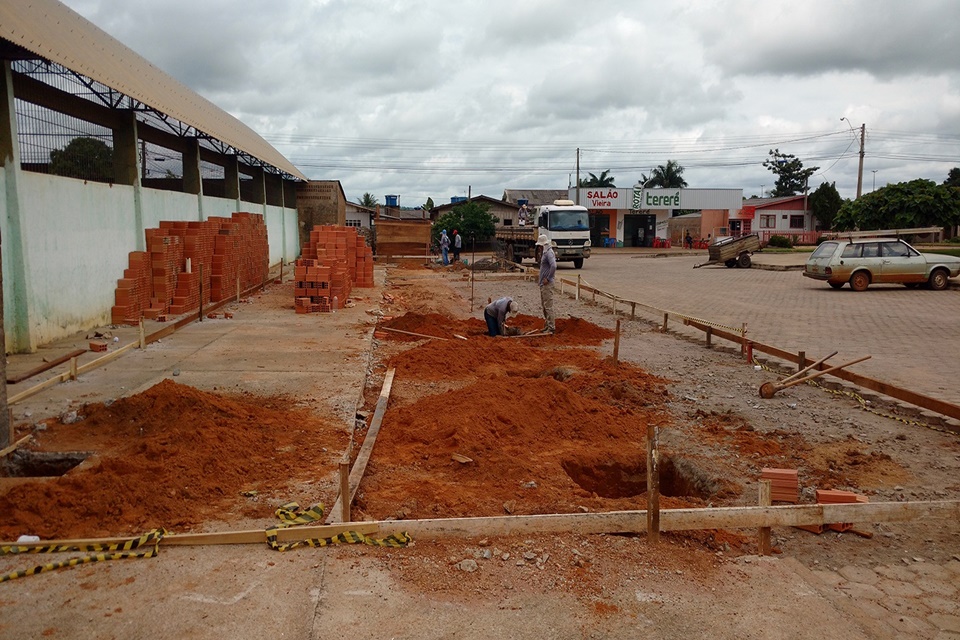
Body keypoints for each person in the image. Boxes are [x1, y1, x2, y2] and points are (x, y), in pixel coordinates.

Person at [537, 234, 556, 334]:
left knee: (548, 306)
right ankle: (547, 324)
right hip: (543, 284)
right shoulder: (545, 253)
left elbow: (553, 266)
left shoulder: (549, 253)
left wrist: (548, 278)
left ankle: (551, 327)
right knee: (544, 305)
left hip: (547, 284)